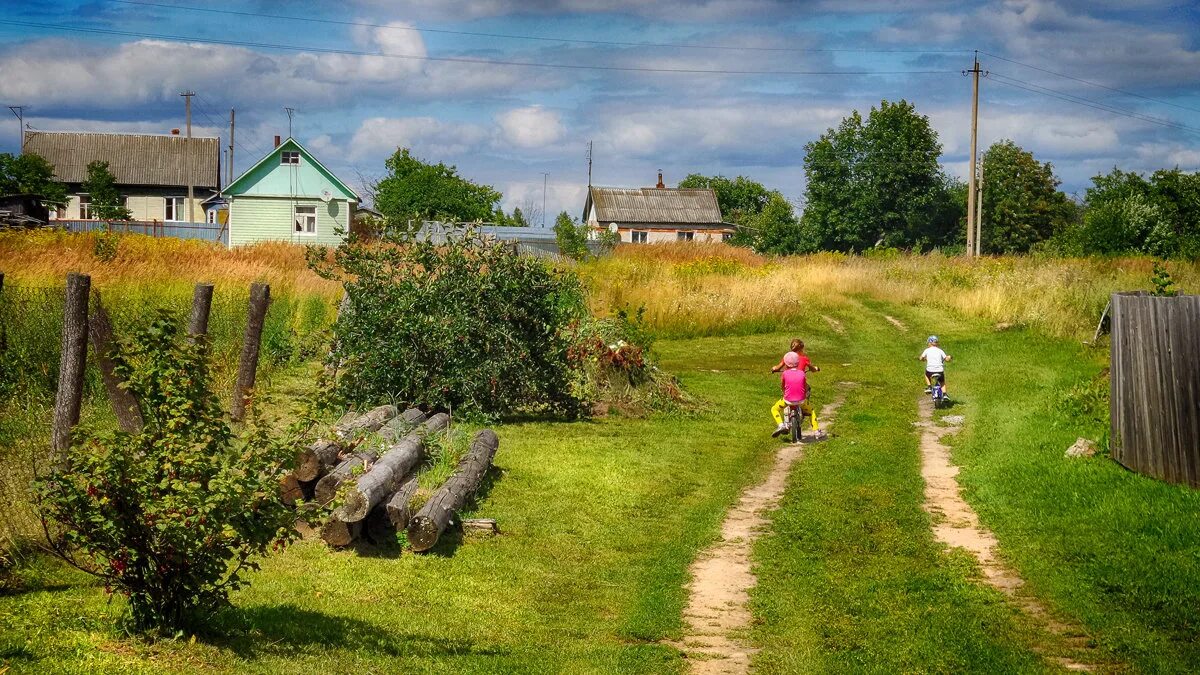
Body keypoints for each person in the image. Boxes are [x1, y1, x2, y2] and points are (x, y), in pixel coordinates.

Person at [771, 339, 820, 433]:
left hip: (788, 397)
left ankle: (782, 424)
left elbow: (778, 367)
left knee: (780, 400)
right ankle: (806, 412)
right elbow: (812, 369)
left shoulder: (787, 358)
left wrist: (774, 369)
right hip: (801, 398)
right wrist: (816, 369)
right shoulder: (804, 359)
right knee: (807, 389)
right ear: (801, 349)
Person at [771, 352, 808, 437]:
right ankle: (815, 429)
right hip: (801, 400)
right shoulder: (802, 373)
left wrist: (783, 391)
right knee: (810, 409)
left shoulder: (785, 373)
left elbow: (783, 385)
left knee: (774, 409)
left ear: (786, 363)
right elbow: (805, 385)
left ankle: (781, 425)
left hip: (788, 400)